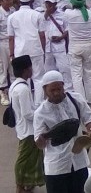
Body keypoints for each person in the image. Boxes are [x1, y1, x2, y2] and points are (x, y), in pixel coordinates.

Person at [34, 70, 91, 193]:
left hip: (79, 161)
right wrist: (42, 139)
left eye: (59, 88)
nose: (57, 93)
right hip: (56, 166)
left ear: (63, 86)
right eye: (52, 90)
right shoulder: (40, 113)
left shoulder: (76, 99)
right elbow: (40, 144)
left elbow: (89, 118)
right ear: (44, 90)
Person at [10, 55, 45, 193]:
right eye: (30, 67)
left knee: (32, 157)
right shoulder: (23, 89)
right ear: (26, 70)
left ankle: (28, 182)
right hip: (28, 130)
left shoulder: (15, 85)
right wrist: (41, 115)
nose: (32, 70)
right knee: (23, 159)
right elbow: (27, 114)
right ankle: (19, 184)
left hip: (23, 128)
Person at [8, 0, 46, 100]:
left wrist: (11, 54)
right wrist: (42, 49)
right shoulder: (37, 15)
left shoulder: (12, 16)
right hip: (35, 49)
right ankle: (38, 103)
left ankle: (27, 103)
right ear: (31, 0)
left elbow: (11, 38)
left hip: (20, 51)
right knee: (38, 78)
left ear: (19, 1)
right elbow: (42, 35)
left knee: (24, 79)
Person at [63, 0, 91, 104]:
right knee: (89, 73)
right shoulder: (90, 14)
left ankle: (80, 100)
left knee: (76, 74)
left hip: (74, 46)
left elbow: (65, 24)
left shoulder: (68, 14)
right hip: (88, 45)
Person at [0, 0, 14, 106]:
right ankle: (3, 93)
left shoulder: (13, 10)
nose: (9, 1)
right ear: (1, 1)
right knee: (3, 67)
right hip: (2, 42)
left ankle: (13, 92)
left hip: (13, 42)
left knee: (13, 67)